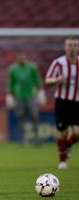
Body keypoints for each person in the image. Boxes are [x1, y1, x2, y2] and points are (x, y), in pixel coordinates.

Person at [45, 37, 79, 170]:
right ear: (65, 47)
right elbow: (47, 80)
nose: (72, 48)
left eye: (75, 45)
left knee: (77, 133)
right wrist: (57, 80)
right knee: (63, 133)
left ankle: (68, 145)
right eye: (69, 45)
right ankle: (62, 161)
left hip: (77, 102)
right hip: (62, 101)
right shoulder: (58, 63)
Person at [6, 51, 44, 146]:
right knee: (20, 118)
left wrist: (40, 92)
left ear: (25, 57)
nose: (21, 58)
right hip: (18, 96)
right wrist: (10, 95)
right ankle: (23, 139)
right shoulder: (13, 69)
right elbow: (11, 83)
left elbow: (37, 80)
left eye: (22, 56)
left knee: (34, 116)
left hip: (31, 95)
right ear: (16, 58)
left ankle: (37, 138)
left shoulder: (32, 67)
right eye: (19, 57)